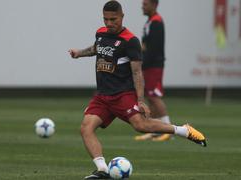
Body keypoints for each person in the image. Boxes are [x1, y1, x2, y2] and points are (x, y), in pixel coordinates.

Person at [69, 1, 206, 179]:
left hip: (122, 94)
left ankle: (183, 130)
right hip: (103, 96)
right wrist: (80, 53)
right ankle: (102, 170)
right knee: (86, 128)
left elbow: (137, 72)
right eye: (106, 19)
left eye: (113, 19)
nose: (109, 23)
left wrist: (140, 100)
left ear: (122, 16)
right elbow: (97, 48)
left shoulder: (130, 41)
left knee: (141, 126)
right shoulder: (101, 33)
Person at [134, 0, 172, 141]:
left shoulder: (156, 22)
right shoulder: (149, 22)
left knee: (155, 96)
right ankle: (156, 129)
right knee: (150, 96)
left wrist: (144, 62)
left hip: (154, 65)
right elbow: (145, 46)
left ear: (154, 5)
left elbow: (153, 48)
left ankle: (168, 130)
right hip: (149, 65)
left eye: (145, 4)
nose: (142, 7)